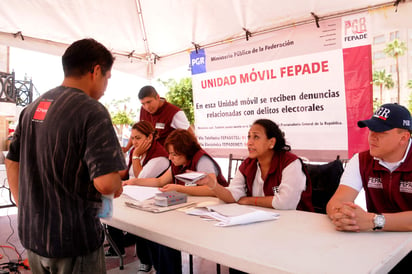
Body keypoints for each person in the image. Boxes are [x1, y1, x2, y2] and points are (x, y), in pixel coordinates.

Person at [5, 38, 126, 273]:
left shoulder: (33, 107)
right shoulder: (92, 110)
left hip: (34, 237)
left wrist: (26, 206)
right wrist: (115, 185)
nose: (105, 86)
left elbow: (11, 161)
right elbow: (106, 183)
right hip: (73, 241)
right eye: (107, 78)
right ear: (96, 70)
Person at [123, 128, 228, 274]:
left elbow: (212, 189)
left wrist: (180, 189)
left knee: (166, 238)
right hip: (188, 209)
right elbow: (159, 181)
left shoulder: (202, 160)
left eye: (174, 154)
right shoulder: (177, 163)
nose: (170, 158)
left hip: (210, 213)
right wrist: (135, 182)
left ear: (186, 151)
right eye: (170, 154)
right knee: (154, 233)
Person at [326, 103, 412, 272]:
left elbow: (370, 221)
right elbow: (336, 202)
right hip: (376, 246)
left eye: (381, 132)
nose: (372, 137)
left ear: (404, 138)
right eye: (371, 130)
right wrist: (346, 217)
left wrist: (374, 221)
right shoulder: (360, 160)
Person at [198, 119, 313, 211]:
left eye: (256, 137)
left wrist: (249, 200)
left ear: (271, 142)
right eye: (249, 137)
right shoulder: (248, 164)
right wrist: (212, 184)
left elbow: (285, 203)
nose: (249, 142)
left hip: (295, 223)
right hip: (262, 220)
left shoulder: (290, 162)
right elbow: (233, 196)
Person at [106, 121, 169, 273]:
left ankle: (146, 262)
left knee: (138, 224)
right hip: (133, 195)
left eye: (138, 138)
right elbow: (126, 174)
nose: (134, 142)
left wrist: (135, 156)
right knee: (111, 212)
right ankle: (119, 247)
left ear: (150, 138)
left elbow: (141, 178)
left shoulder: (159, 156)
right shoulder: (139, 151)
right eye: (132, 138)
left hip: (152, 202)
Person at [122, 85, 192, 152]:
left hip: (167, 157)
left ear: (158, 97)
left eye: (149, 102)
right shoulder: (143, 110)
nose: (147, 107)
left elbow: (190, 135)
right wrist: (127, 148)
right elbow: (137, 132)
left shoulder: (174, 112)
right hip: (149, 154)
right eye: (143, 104)